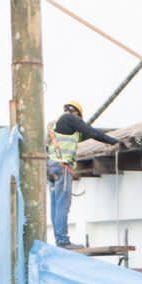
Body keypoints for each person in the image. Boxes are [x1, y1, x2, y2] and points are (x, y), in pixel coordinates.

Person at [47, 101, 118, 248]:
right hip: (62, 167)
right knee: (62, 205)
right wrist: (113, 141)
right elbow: (92, 133)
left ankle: (59, 238)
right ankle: (62, 241)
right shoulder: (70, 119)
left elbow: (81, 135)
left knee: (55, 204)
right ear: (77, 113)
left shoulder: (56, 124)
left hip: (51, 168)